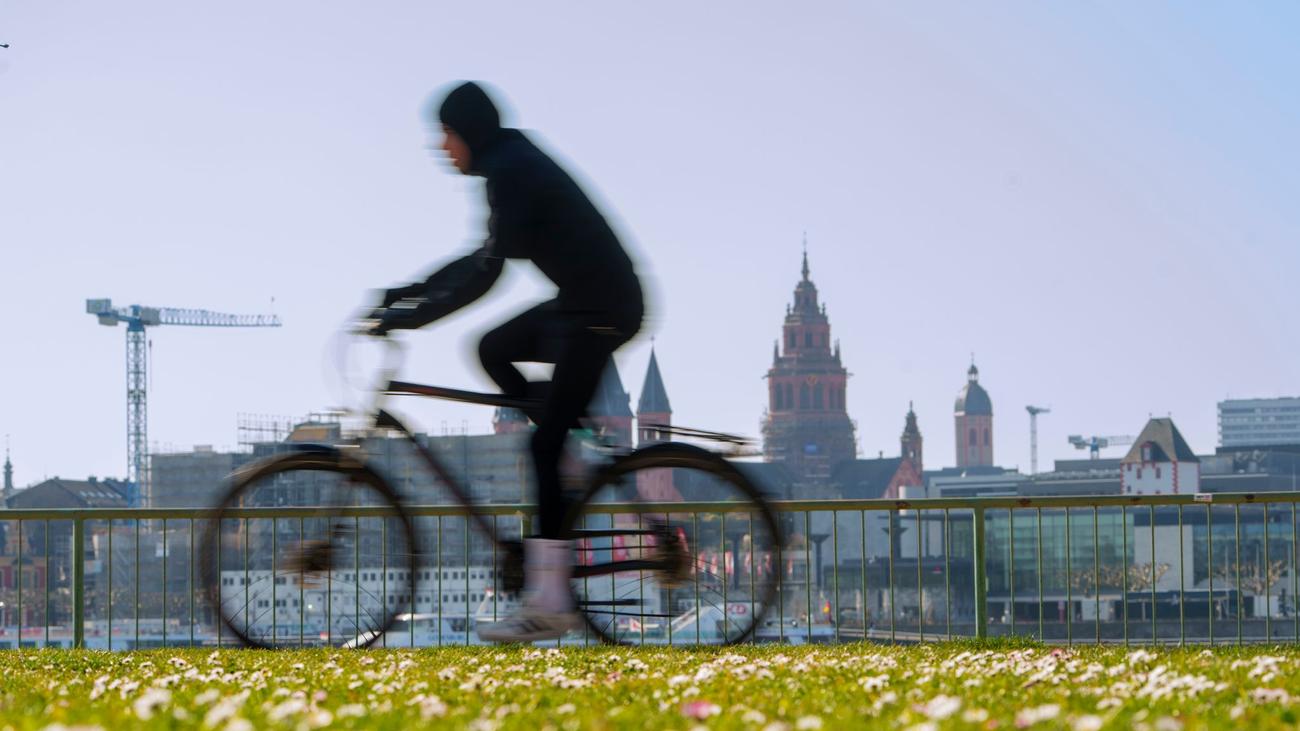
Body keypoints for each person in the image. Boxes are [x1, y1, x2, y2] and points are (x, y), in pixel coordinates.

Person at [372, 81, 644, 642]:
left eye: (446, 135)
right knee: (492, 349)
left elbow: (488, 273)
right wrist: (412, 291)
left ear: (468, 130)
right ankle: (569, 449)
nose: (443, 148)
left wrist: (413, 319)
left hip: (603, 309)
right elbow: (485, 256)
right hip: (582, 303)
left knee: (542, 448)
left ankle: (549, 603)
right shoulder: (508, 165)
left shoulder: (512, 171)